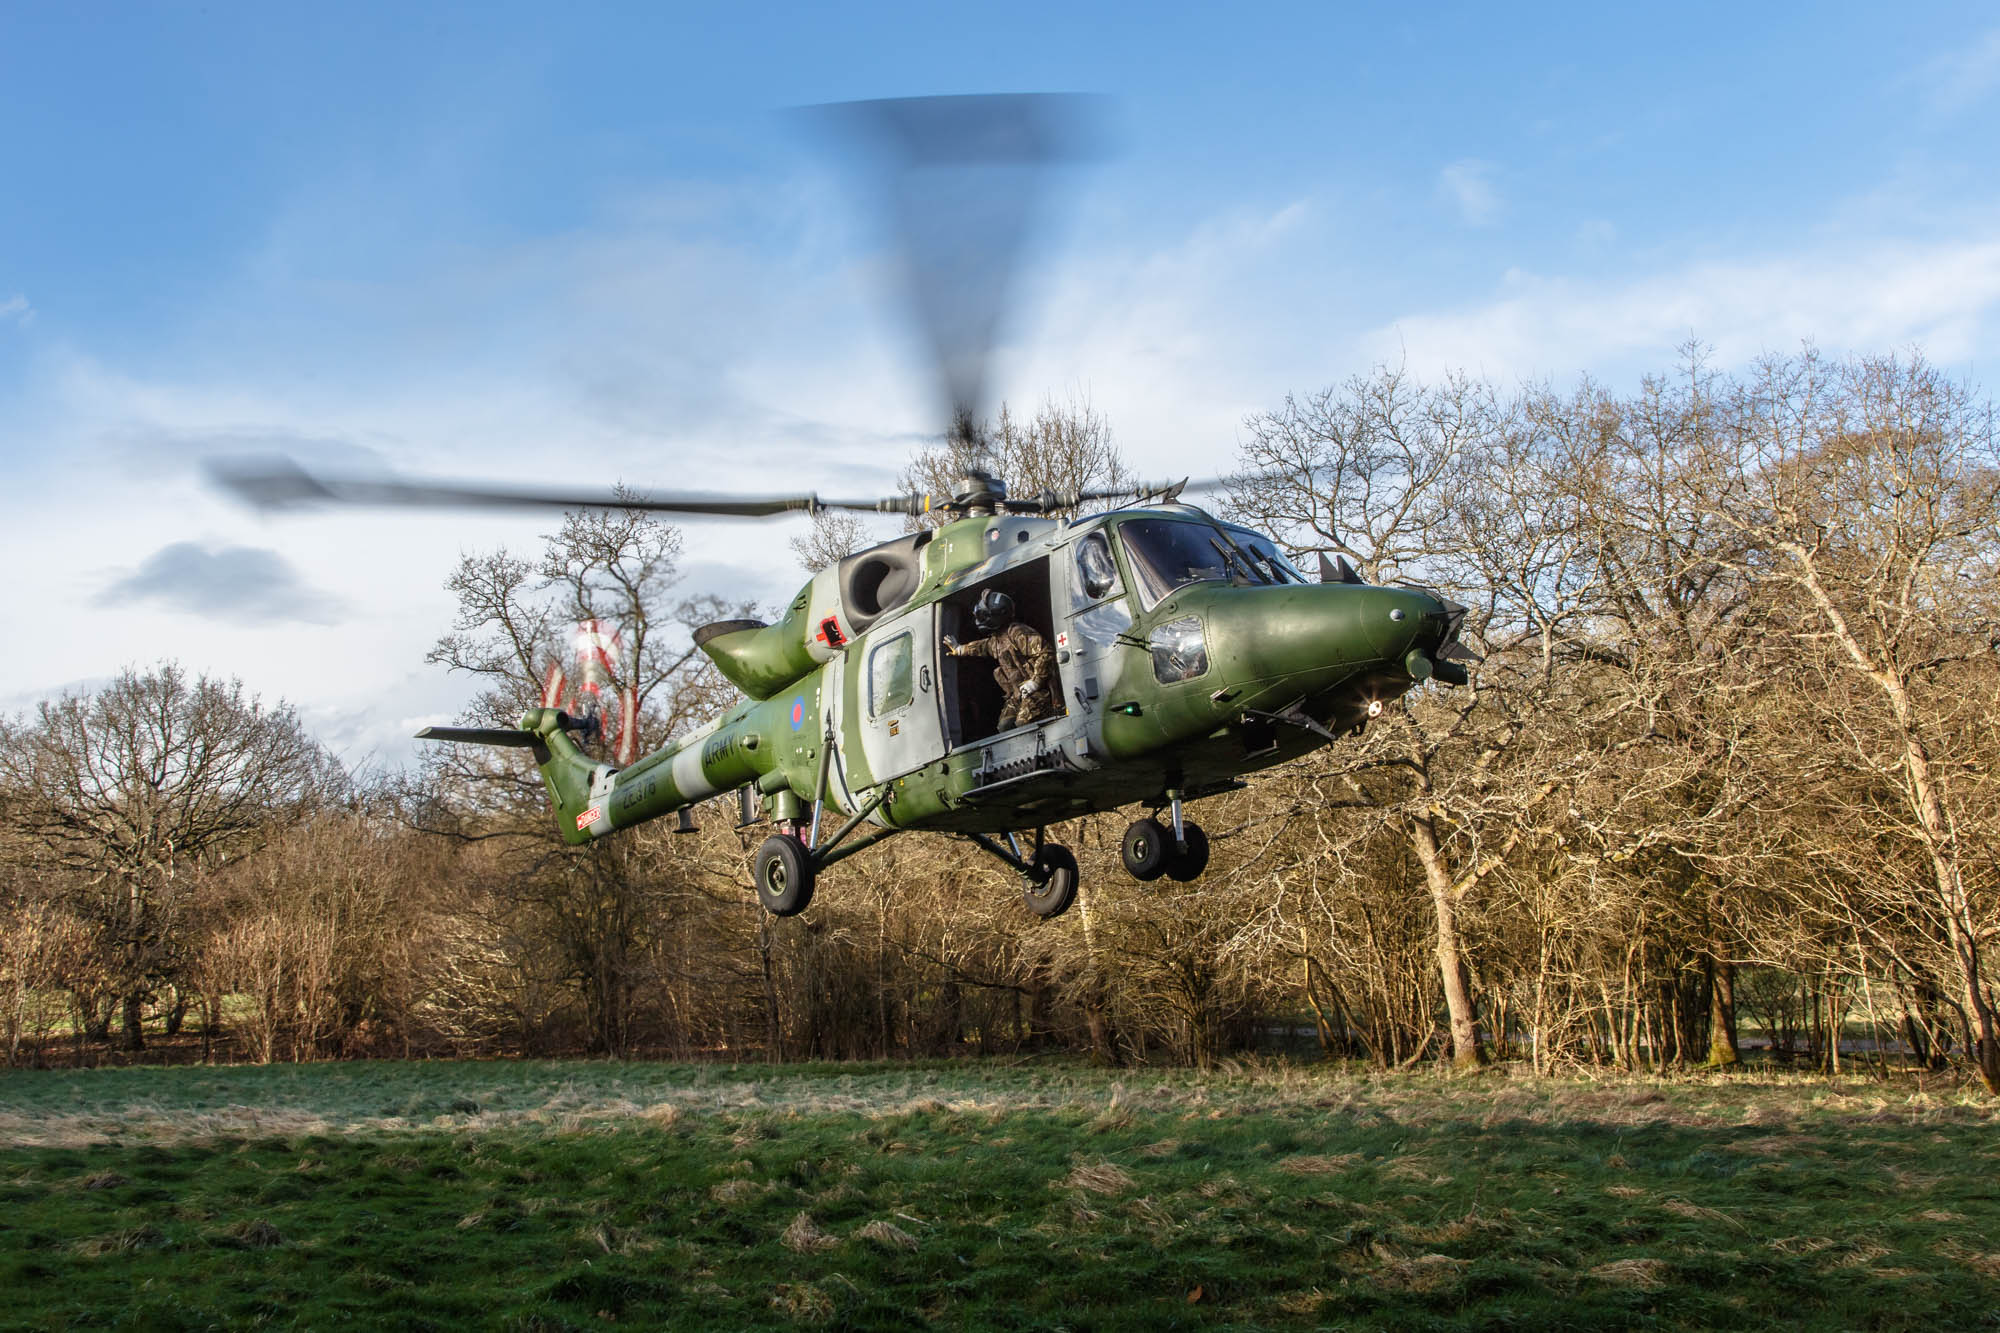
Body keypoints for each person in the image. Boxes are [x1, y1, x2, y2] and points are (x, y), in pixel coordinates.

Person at [945, 589, 1057, 730]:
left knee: (1023, 725)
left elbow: (1045, 653)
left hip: (1039, 692)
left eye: (983, 615)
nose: (979, 620)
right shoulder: (997, 639)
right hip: (1018, 695)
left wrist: (1035, 682)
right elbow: (983, 646)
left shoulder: (1017, 632)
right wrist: (961, 649)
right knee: (1004, 726)